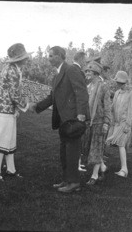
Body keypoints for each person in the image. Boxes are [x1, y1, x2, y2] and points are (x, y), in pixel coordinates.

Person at [30, 49, 89, 193]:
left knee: (72, 152)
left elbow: (82, 92)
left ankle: (74, 182)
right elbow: (52, 97)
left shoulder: (71, 70)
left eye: (50, 55)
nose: (48, 58)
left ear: (59, 56)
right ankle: (67, 180)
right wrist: (37, 107)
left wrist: (81, 114)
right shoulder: (57, 75)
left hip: (73, 119)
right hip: (63, 120)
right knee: (65, 152)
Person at [0, 43, 31, 181]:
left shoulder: (15, 69)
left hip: (8, 108)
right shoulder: (12, 71)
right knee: (2, 138)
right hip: (4, 109)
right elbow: (14, 94)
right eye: (24, 57)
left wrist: (17, 108)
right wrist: (26, 105)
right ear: (18, 59)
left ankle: (11, 169)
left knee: (10, 139)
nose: (27, 59)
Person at [81, 60, 112, 185]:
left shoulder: (103, 86)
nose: (87, 73)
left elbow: (108, 106)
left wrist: (106, 122)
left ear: (95, 73)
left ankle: (94, 175)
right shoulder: (89, 87)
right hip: (89, 122)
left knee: (97, 148)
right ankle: (103, 167)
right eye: (86, 71)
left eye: (89, 71)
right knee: (88, 148)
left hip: (100, 122)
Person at [106, 71, 132, 178]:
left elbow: (131, 110)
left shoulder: (131, 93)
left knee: (121, 144)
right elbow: (113, 107)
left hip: (125, 123)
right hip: (117, 123)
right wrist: (111, 120)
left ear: (125, 82)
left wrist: (128, 125)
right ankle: (123, 168)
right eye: (118, 82)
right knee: (119, 145)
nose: (119, 84)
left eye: (121, 82)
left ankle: (124, 169)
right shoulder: (117, 93)